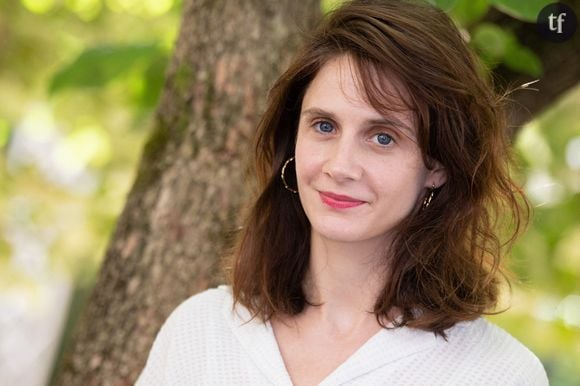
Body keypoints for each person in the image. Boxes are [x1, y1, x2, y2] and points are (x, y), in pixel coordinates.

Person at [137, 0, 548, 384]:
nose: (339, 166)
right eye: (324, 126)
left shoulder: (497, 373)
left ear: (437, 166)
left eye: (383, 137)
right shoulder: (199, 331)